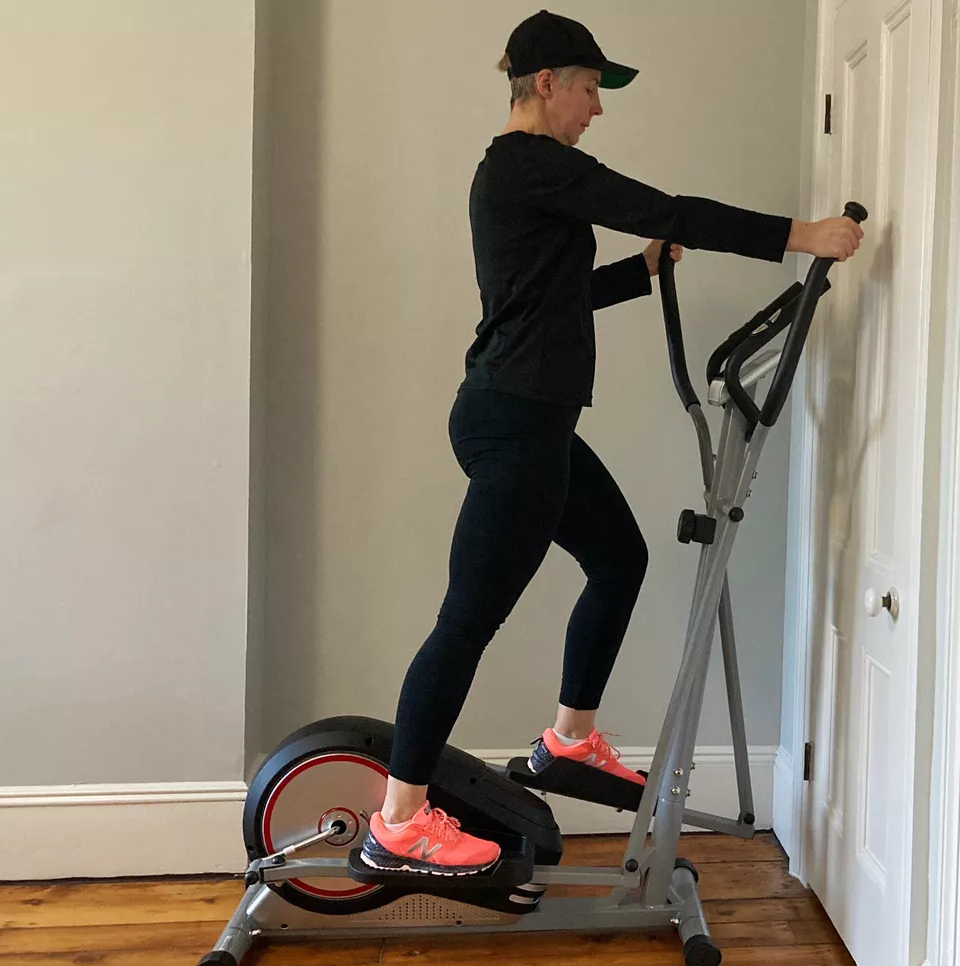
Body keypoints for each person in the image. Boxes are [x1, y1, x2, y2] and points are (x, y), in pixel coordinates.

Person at [359, 9, 863, 876]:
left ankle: (569, 741)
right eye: (591, 89)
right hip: (514, 422)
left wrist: (640, 273)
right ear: (547, 83)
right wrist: (800, 237)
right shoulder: (530, 163)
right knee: (466, 621)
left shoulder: (516, 178)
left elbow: (545, 300)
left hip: (526, 418)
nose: (598, 109)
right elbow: (661, 207)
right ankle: (399, 820)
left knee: (620, 558)